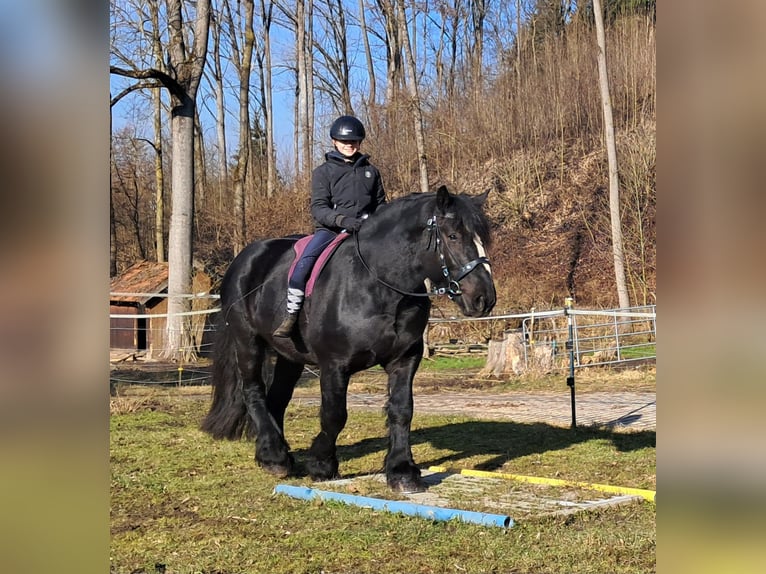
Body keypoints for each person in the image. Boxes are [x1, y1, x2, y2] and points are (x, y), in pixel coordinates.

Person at [274, 115, 386, 337]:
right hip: (331, 230)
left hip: (366, 231)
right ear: (334, 141)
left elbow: (381, 204)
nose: (349, 145)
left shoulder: (371, 172)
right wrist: (342, 221)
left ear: (360, 142)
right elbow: (319, 207)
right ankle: (292, 315)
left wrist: (377, 222)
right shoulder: (323, 172)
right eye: (345, 142)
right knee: (303, 264)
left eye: (354, 141)